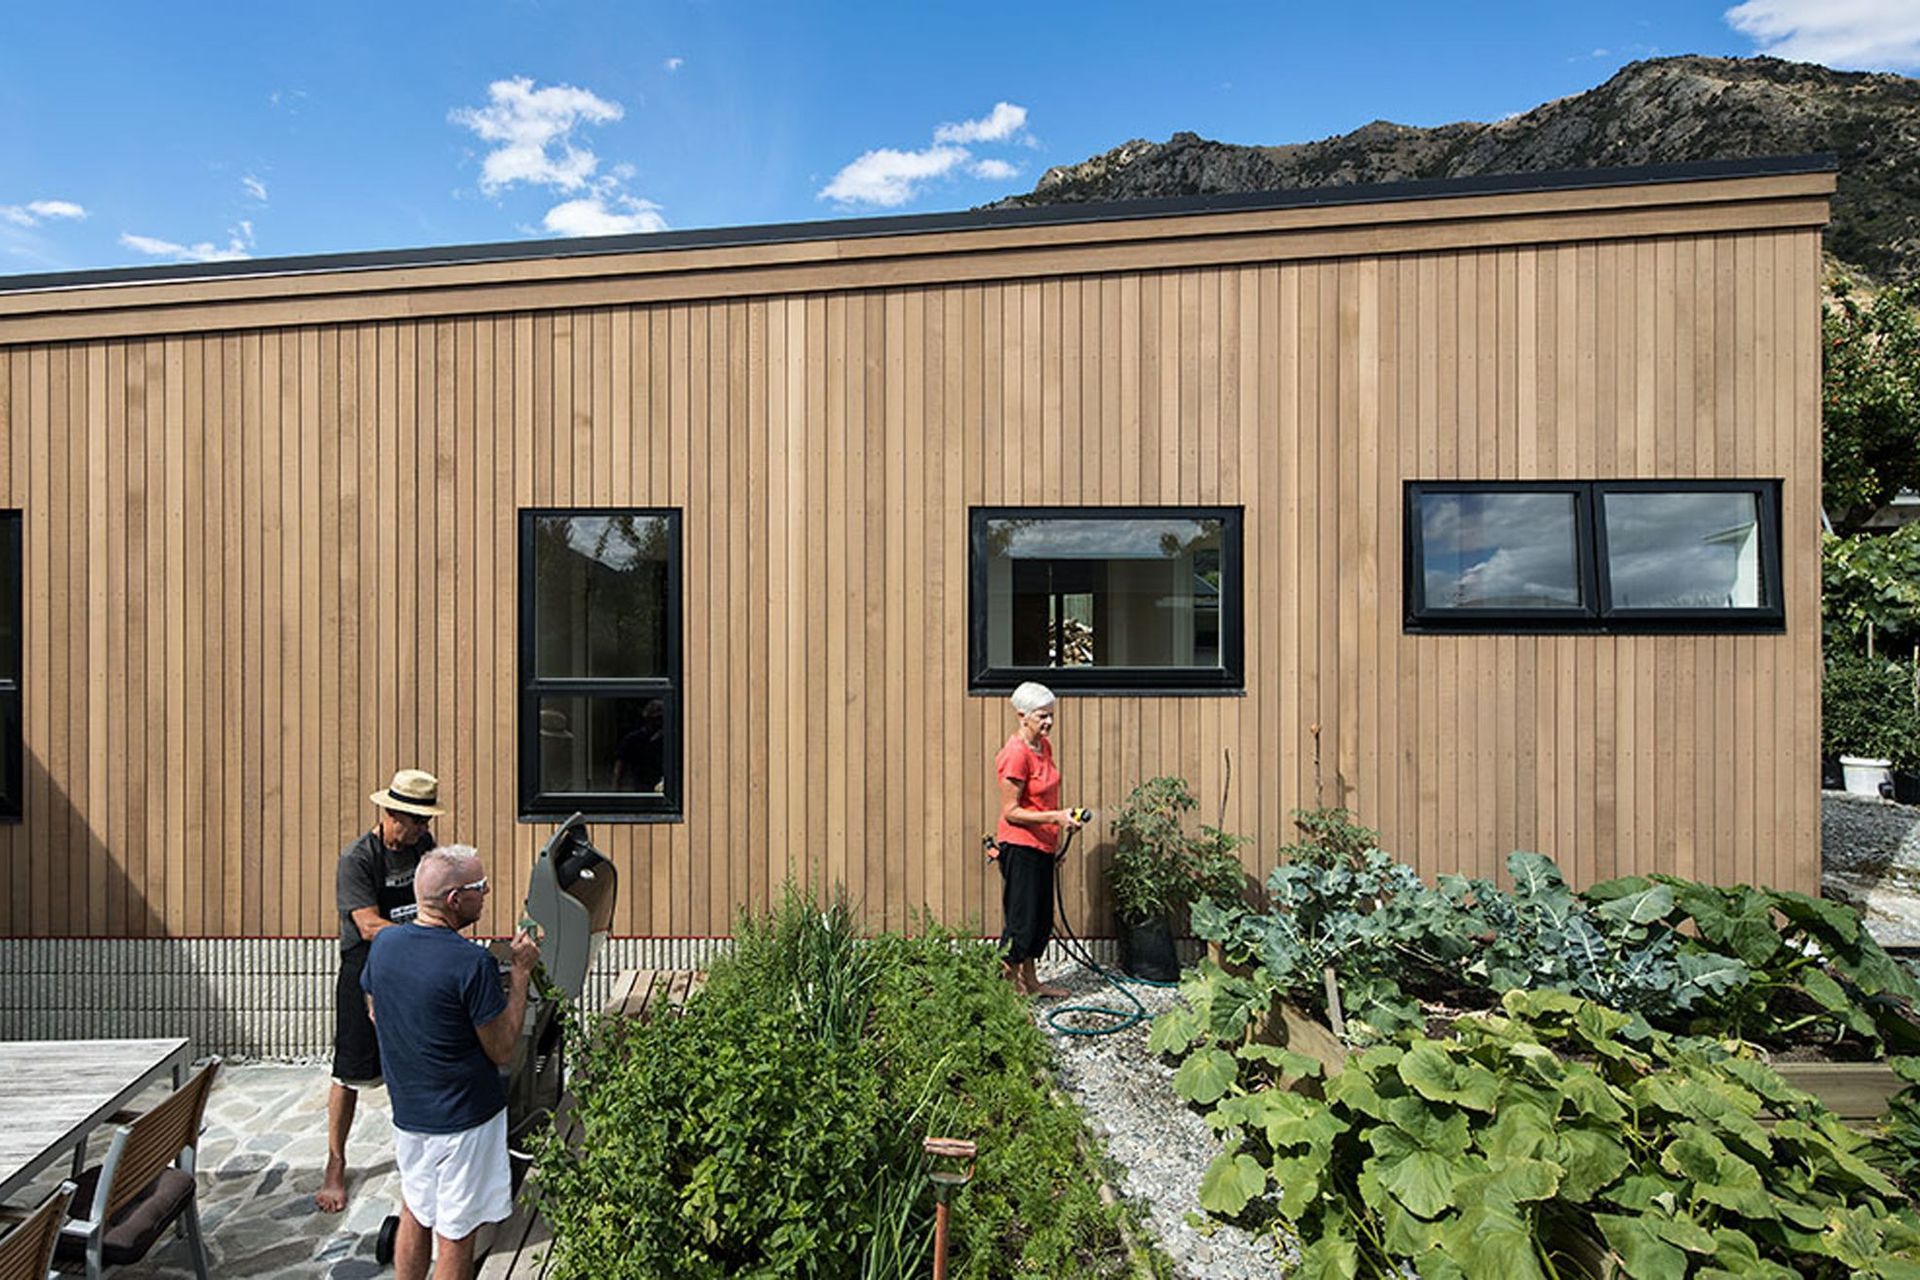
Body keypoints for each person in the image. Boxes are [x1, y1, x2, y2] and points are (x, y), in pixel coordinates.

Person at [363, 844, 540, 1280]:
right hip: (464, 1122)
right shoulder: (471, 962)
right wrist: (520, 974)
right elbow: (502, 1049)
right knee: (457, 1233)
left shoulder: (385, 944)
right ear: (455, 899)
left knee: (415, 1210)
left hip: (410, 1113)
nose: (487, 893)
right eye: (481, 886)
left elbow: (374, 1007)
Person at [317, 768, 444, 1213]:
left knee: (420, 1060)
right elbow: (368, 926)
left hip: (414, 963)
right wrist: (424, 934)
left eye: (427, 820)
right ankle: (336, 1161)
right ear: (393, 815)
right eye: (419, 820)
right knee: (350, 1070)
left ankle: (425, 1154)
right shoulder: (358, 859)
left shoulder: (424, 848)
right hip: (366, 965)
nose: (425, 828)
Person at [993, 681, 1086, 997]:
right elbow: (1011, 812)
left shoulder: (1043, 747)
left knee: (1040, 919)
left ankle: (1031, 982)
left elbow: (1042, 801)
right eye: (1042, 716)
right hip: (1020, 847)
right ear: (1022, 716)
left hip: (1043, 845)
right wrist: (1055, 817)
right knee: (1021, 922)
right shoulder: (1015, 755)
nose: (1049, 722)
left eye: (1051, 715)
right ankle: (1008, 995)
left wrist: (1057, 835)